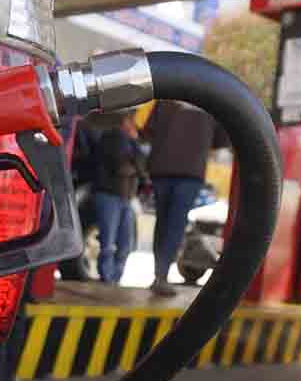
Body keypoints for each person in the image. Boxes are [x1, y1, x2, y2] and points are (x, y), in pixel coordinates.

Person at [142, 101, 228, 297]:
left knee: (163, 222)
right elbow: (221, 140)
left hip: (160, 168)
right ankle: (161, 277)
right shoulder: (213, 101)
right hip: (190, 171)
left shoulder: (166, 98)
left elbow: (147, 131)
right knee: (175, 224)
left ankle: (159, 274)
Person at [90, 110, 146, 284]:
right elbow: (123, 164)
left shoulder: (129, 142)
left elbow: (137, 165)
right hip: (111, 196)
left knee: (121, 243)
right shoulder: (113, 138)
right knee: (111, 242)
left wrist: (135, 165)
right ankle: (108, 278)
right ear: (125, 122)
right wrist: (135, 166)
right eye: (132, 123)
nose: (135, 127)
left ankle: (112, 278)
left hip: (124, 197)